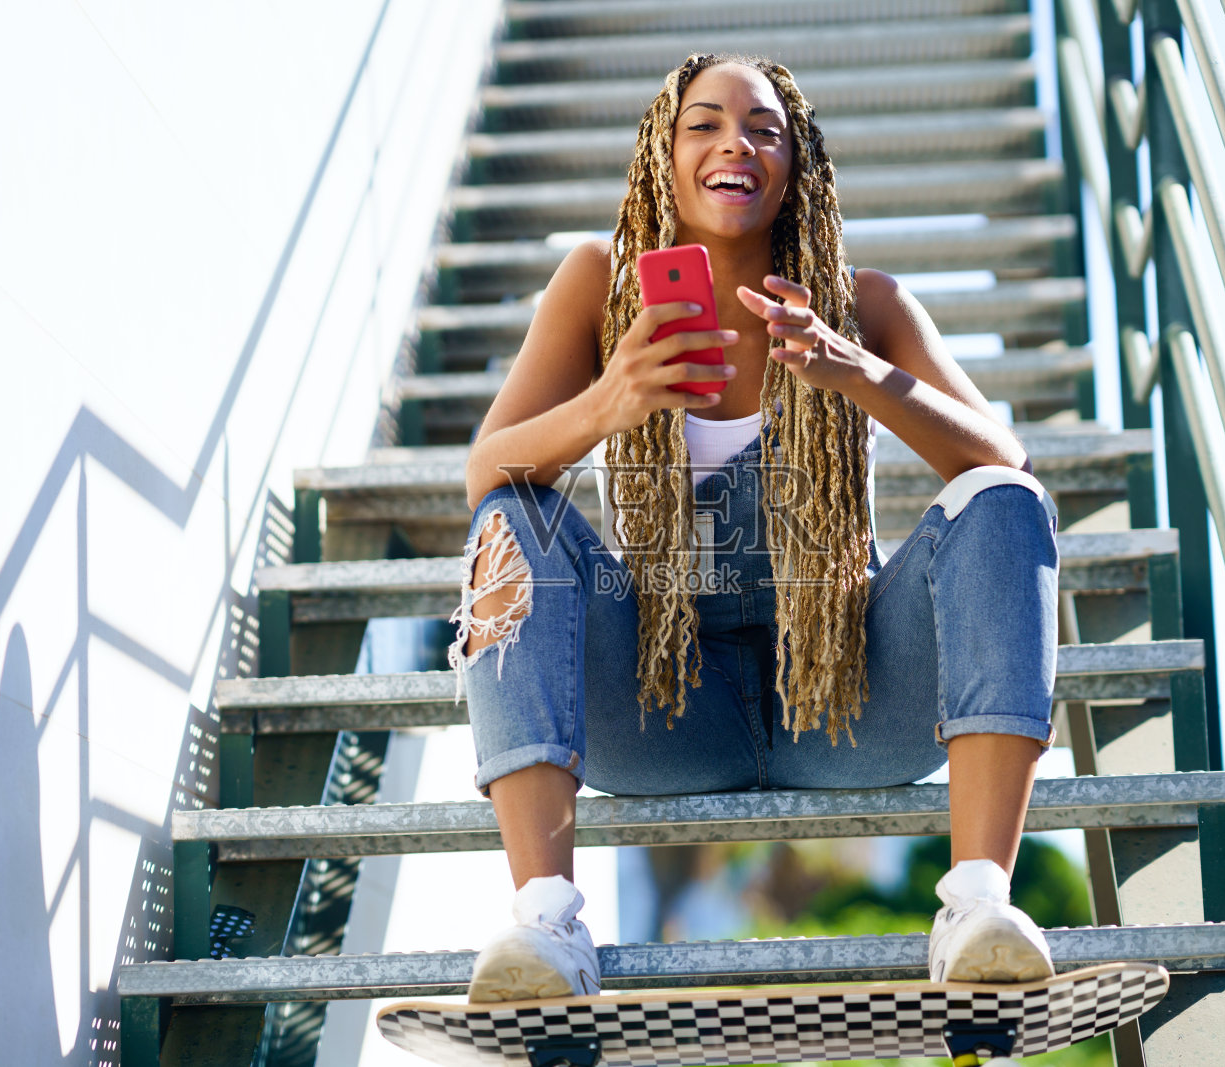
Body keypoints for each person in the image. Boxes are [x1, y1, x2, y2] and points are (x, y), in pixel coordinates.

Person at [447, 53, 1061, 1003]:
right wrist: (610, 403)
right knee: (509, 519)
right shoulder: (596, 286)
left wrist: (854, 369)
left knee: (1004, 503)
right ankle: (545, 925)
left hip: (848, 701)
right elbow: (487, 469)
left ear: (795, 164)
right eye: (706, 123)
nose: (736, 141)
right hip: (662, 707)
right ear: (664, 149)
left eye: (765, 128)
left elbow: (1005, 463)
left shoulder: (868, 305)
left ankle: (978, 908)